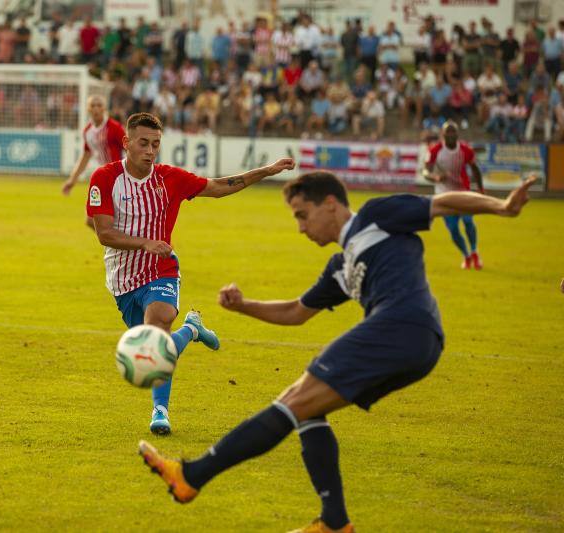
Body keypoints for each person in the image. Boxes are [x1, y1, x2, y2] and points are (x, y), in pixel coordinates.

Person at [138, 170, 536, 533]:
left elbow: (445, 202)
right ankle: (334, 522)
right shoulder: (340, 266)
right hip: (416, 344)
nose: (300, 227)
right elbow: (296, 312)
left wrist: (501, 207)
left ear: (330, 204)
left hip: (403, 325)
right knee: (310, 412)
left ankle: (192, 476)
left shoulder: (378, 216)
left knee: (293, 400)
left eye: (301, 214)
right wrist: (245, 306)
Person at [87, 112, 295, 435]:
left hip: (162, 270)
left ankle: (160, 411)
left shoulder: (170, 178)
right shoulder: (104, 178)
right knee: (158, 348)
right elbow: (104, 233)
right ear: (126, 143)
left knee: (158, 325)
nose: (150, 150)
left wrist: (266, 171)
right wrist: (144, 243)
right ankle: (192, 330)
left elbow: (219, 186)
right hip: (123, 279)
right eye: (143, 143)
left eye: (156, 144)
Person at [423, 121, 484, 269]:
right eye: (447, 132)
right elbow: (425, 171)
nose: (450, 135)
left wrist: (481, 188)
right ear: (442, 135)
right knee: (454, 230)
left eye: (453, 132)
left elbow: (475, 168)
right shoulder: (435, 150)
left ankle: (475, 252)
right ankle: (466, 255)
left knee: (468, 221)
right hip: (444, 194)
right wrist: (435, 178)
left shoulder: (465, 150)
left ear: (457, 134)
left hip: (462, 191)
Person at [62, 96, 125, 228]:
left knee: (121, 222)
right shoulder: (87, 131)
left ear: (104, 108)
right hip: (103, 179)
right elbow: (85, 156)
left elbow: (130, 149)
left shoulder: (115, 128)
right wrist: (72, 180)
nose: (96, 108)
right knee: (90, 220)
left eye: (99, 105)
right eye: (93, 105)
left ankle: (123, 244)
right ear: (88, 109)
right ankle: (119, 244)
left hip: (119, 179)